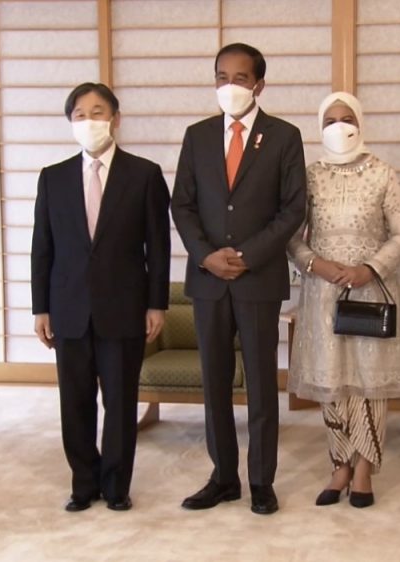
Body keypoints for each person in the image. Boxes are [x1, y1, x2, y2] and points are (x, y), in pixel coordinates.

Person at [171, 43, 306, 516]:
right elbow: (181, 204)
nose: (230, 86)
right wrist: (207, 255)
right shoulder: (197, 135)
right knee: (214, 384)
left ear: (260, 85)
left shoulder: (285, 137)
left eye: (241, 78)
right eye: (221, 76)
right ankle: (223, 477)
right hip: (208, 280)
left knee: (262, 385)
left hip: (257, 279)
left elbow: (294, 208)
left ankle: (261, 481)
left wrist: (247, 255)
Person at [31, 82, 171, 513]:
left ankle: (116, 486)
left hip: (124, 307)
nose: (89, 121)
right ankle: (82, 483)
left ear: (116, 119)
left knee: (120, 401)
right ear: (70, 122)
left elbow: (158, 245)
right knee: (74, 403)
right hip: (68, 308)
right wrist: (41, 308)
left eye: (97, 112)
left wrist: (156, 303)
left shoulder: (144, 174)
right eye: (79, 114)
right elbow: (43, 247)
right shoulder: (52, 178)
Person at [287, 92, 400, 509]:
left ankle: (364, 468)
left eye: (346, 118)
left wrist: (369, 268)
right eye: (329, 120)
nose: (338, 127)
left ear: (360, 123)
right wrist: (315, 265)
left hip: (370, 289)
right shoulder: (309, 175)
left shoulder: (383, 173)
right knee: (331, 379)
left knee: (370, 382)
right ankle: (339, 464)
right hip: (322, 291)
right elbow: (289, 234)